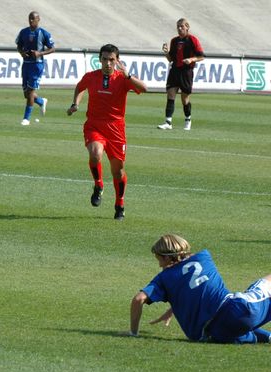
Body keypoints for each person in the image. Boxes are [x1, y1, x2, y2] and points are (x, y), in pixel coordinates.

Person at [126, 234, 271, 344]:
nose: (159, 265)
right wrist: (174, 308)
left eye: (159, 260)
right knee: (263, 286)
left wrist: (133, 333)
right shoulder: (203, 257)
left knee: (241, 329)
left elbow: (139, 299)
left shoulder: (163, 278)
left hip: (212, 335)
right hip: (236, 310)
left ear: (167, 258)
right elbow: (195, 285)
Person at [66, 44, 147, 220]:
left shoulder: (123, 79)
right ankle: (98, 185)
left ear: (117, 60)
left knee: (118, 171)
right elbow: (80, 88)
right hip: (94, 125)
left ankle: (120, 203)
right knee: (95, 154)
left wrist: (128, 75)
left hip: (116, 129)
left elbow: (143, 88)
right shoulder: (91, 77)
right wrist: (75, 104)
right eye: (105, 59)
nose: (108, 63)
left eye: (112, 60)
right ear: (99, 60)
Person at [157, 18, 204, 131]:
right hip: (175, 71)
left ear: (187, 27)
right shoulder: (174, 41)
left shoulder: (193, 40)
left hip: (186, 72)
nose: (179, 28)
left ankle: (188, 119)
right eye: (178, 26)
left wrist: (191, 60)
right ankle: (168, 122)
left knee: (185, 99)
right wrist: (166, 52)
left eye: (182, 26)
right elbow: (170, 59)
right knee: (170, 95)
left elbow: (201, 57)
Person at [15, 11, 55, 126]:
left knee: (31, 91)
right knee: (26, 94)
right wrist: (22, 52)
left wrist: (40, 53)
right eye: (30, 18)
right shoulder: (23, 32)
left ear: (38, 19)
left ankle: (26, 119)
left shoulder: (44, 33)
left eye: (33, 18)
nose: (31, 20)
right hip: (26, 65)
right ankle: (41, 101)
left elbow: (52, 48)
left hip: (37, 66)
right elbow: (18, 45)